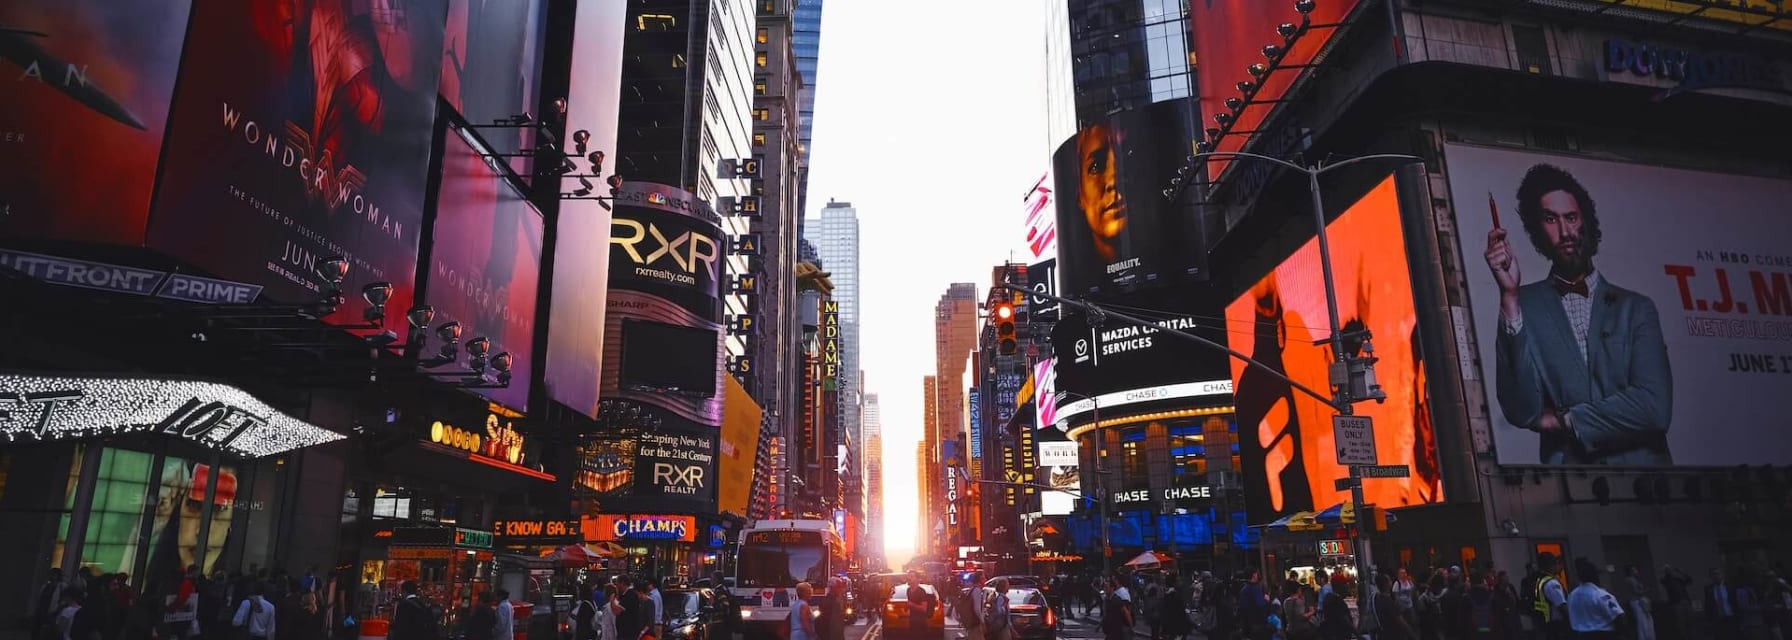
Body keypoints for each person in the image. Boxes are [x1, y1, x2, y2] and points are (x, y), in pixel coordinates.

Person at [1483, 163, 1673, 465]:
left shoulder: (1636, 309)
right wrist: (1509, 296)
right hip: (1570, 487)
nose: (1565, 232)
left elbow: (1654, 408)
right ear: (1537, 230)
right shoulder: (1523, 304)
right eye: (1550, 219)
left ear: (1586, 219)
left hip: (1648, 487)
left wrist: (1566, 420)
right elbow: (1522, 411)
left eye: (1571, 217)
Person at [1566, 559, 1623, 639]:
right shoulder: (1600, 595)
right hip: (1603, 635)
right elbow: (1618, 617)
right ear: (1594, 576)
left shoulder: (1572, 595)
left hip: (1580, 635)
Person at [1317, 574, 1353, 640]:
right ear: (1339, 586)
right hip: (1340, 635)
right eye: (1345, 584)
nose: (1347, 586)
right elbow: (1345, 619)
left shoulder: (1328, 598)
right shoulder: (1337, 600)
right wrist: (1358, 634)